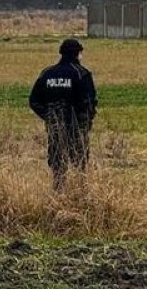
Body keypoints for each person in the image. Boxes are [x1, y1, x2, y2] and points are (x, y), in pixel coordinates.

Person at [29, 38, 98, 189]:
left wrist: (49, 116)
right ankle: (80, 192)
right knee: (79, 164)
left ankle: (58, 191)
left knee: (57, 164)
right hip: (77, 128)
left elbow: (33, 101)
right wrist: (86, 122)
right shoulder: (81, 74)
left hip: (55, 128)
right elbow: (89, 102)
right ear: (77, 54)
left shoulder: (47, 74)